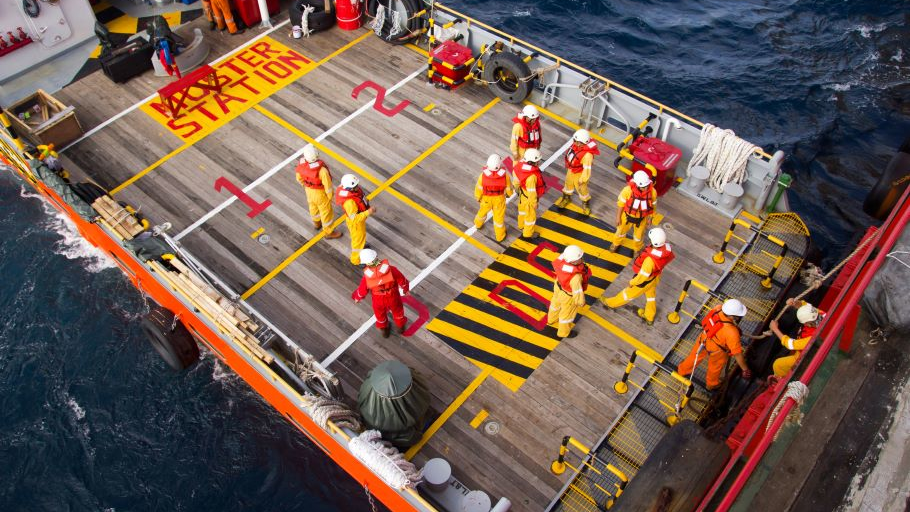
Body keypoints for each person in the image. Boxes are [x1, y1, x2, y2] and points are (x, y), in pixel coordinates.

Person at [600, 227, 674, 325]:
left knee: (627, 294)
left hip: (644, 282)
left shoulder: (649, 261)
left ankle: (610, 303)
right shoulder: (664, 252)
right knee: (651, 297)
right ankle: (649, 317)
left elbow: (642, 277)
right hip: (654, 278)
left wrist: (632, 282)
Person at [677, 299, 752, 390]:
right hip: (717, 350)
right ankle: (711, 384)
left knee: (694, 356)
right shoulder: (732, 332)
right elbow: (737, 354)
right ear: (733, 316)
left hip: (704, 338)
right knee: (715, 367)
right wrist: (745, 369)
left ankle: (682, 370)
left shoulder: (718, 308)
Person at [352, 249, 409, 338]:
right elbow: (403, 281)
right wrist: (405, 290)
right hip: (393, 296)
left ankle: (385, 331)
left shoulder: (366, 277)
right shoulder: (391, 269)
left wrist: (357, 298)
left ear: (366, 263)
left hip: (378, 300)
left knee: (380, 315)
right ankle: (401, 328)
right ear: (376, 257)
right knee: (398, 311)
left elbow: (362, 290)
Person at [295, 144, 342, 239]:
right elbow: (328, 186)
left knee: (313, 207)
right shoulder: (322, 171)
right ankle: (329, 232)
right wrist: (330, 196)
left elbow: (299, 178)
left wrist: (306, 185)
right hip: (320, 193)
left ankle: (316, 223)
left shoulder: (301, 166)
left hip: (309, 190)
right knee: (326, 212)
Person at [769, 299, 825, 377]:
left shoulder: (812, 338)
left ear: (806, 323)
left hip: (808, 355)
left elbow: (791, 344)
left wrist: (775, 329)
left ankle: (783, 380)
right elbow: (807, 307)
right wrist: (795, 302)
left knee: (777, 365)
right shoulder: (822, 314)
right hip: (811, 347)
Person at [547, 245, 591, 339]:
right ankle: (563, 333)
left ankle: (551, 320)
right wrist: (581, 302)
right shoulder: (576, 277)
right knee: (567, 315)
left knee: (555, 305)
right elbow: (577, 291)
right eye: (580, 257)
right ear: (574, 261)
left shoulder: (563, 259)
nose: (582, 258)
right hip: (568, 296)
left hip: (558, 287)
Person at [555, 129, 599, 215]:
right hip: (571, 170)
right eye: (575, 141)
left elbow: (587, 169)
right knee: (568, 184)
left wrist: (583, 179)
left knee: (582, 189)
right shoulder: (575, 146)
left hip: (580, 173)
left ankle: (586, 204)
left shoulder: (587, 155)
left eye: (579, 142)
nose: (577, 144)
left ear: (584, 142)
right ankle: (566, 198)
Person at [612, 170, 657, 252]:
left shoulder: (653, 192)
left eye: (647, 185)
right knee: (620, 232)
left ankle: (637, 248)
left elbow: (653, 206)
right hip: (626, 217)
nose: (646, 188)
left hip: (642, 218)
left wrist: (651, 218)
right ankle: (616, 243)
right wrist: (618, 217)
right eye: (643, 186)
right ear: (636, 184)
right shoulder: (627, 190)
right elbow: (621, 204)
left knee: (638, 237)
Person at [335, 174, 375, 264]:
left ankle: (362, 247)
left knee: (361, 237)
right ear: (350, 188)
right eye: (355, 186)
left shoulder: (352, 192)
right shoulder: (349, 203)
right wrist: (369, 212)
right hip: (356, 224)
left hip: (359, 221)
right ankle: (356, 260)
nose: (357, 187)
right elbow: (354, 219)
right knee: (357, 242)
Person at [474, 154, 513, 242]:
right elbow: (509, 188)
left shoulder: (482, 176)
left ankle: (478, 224)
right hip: (499, 199)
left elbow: (479, 188)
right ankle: (500, 236)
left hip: (486, 199)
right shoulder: (505, 176)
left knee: (482, 212)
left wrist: (478, 197)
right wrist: (509, 194)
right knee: (498, 218)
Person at [512, 148, 545, 240]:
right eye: (538, 161)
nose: (538, 162)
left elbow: (516, 180)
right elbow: (532, 193)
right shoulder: (532, 177)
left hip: (522, 193)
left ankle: (521, 225)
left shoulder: (519, 166)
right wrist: (534, 203)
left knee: (522, 211)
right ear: (534, 162)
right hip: (529, 198)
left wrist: (517, 188)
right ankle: (528, 234)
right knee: (530, 217)